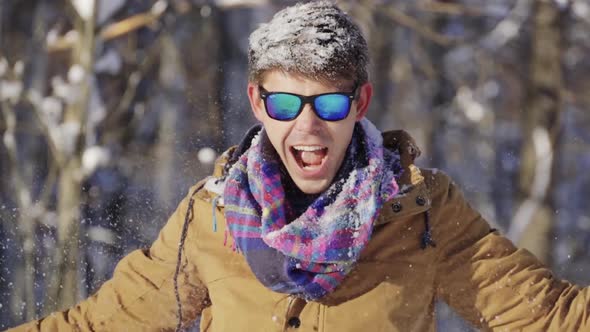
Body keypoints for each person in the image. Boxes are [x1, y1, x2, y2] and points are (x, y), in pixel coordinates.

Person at [9, 1, 590, 331]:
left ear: (359, 103)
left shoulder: (423, 211)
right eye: (287, 103)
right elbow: (102, 325)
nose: (308, 127)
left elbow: (553, 317)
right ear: (260, 103)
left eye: (330, 104)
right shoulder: (211, 215)